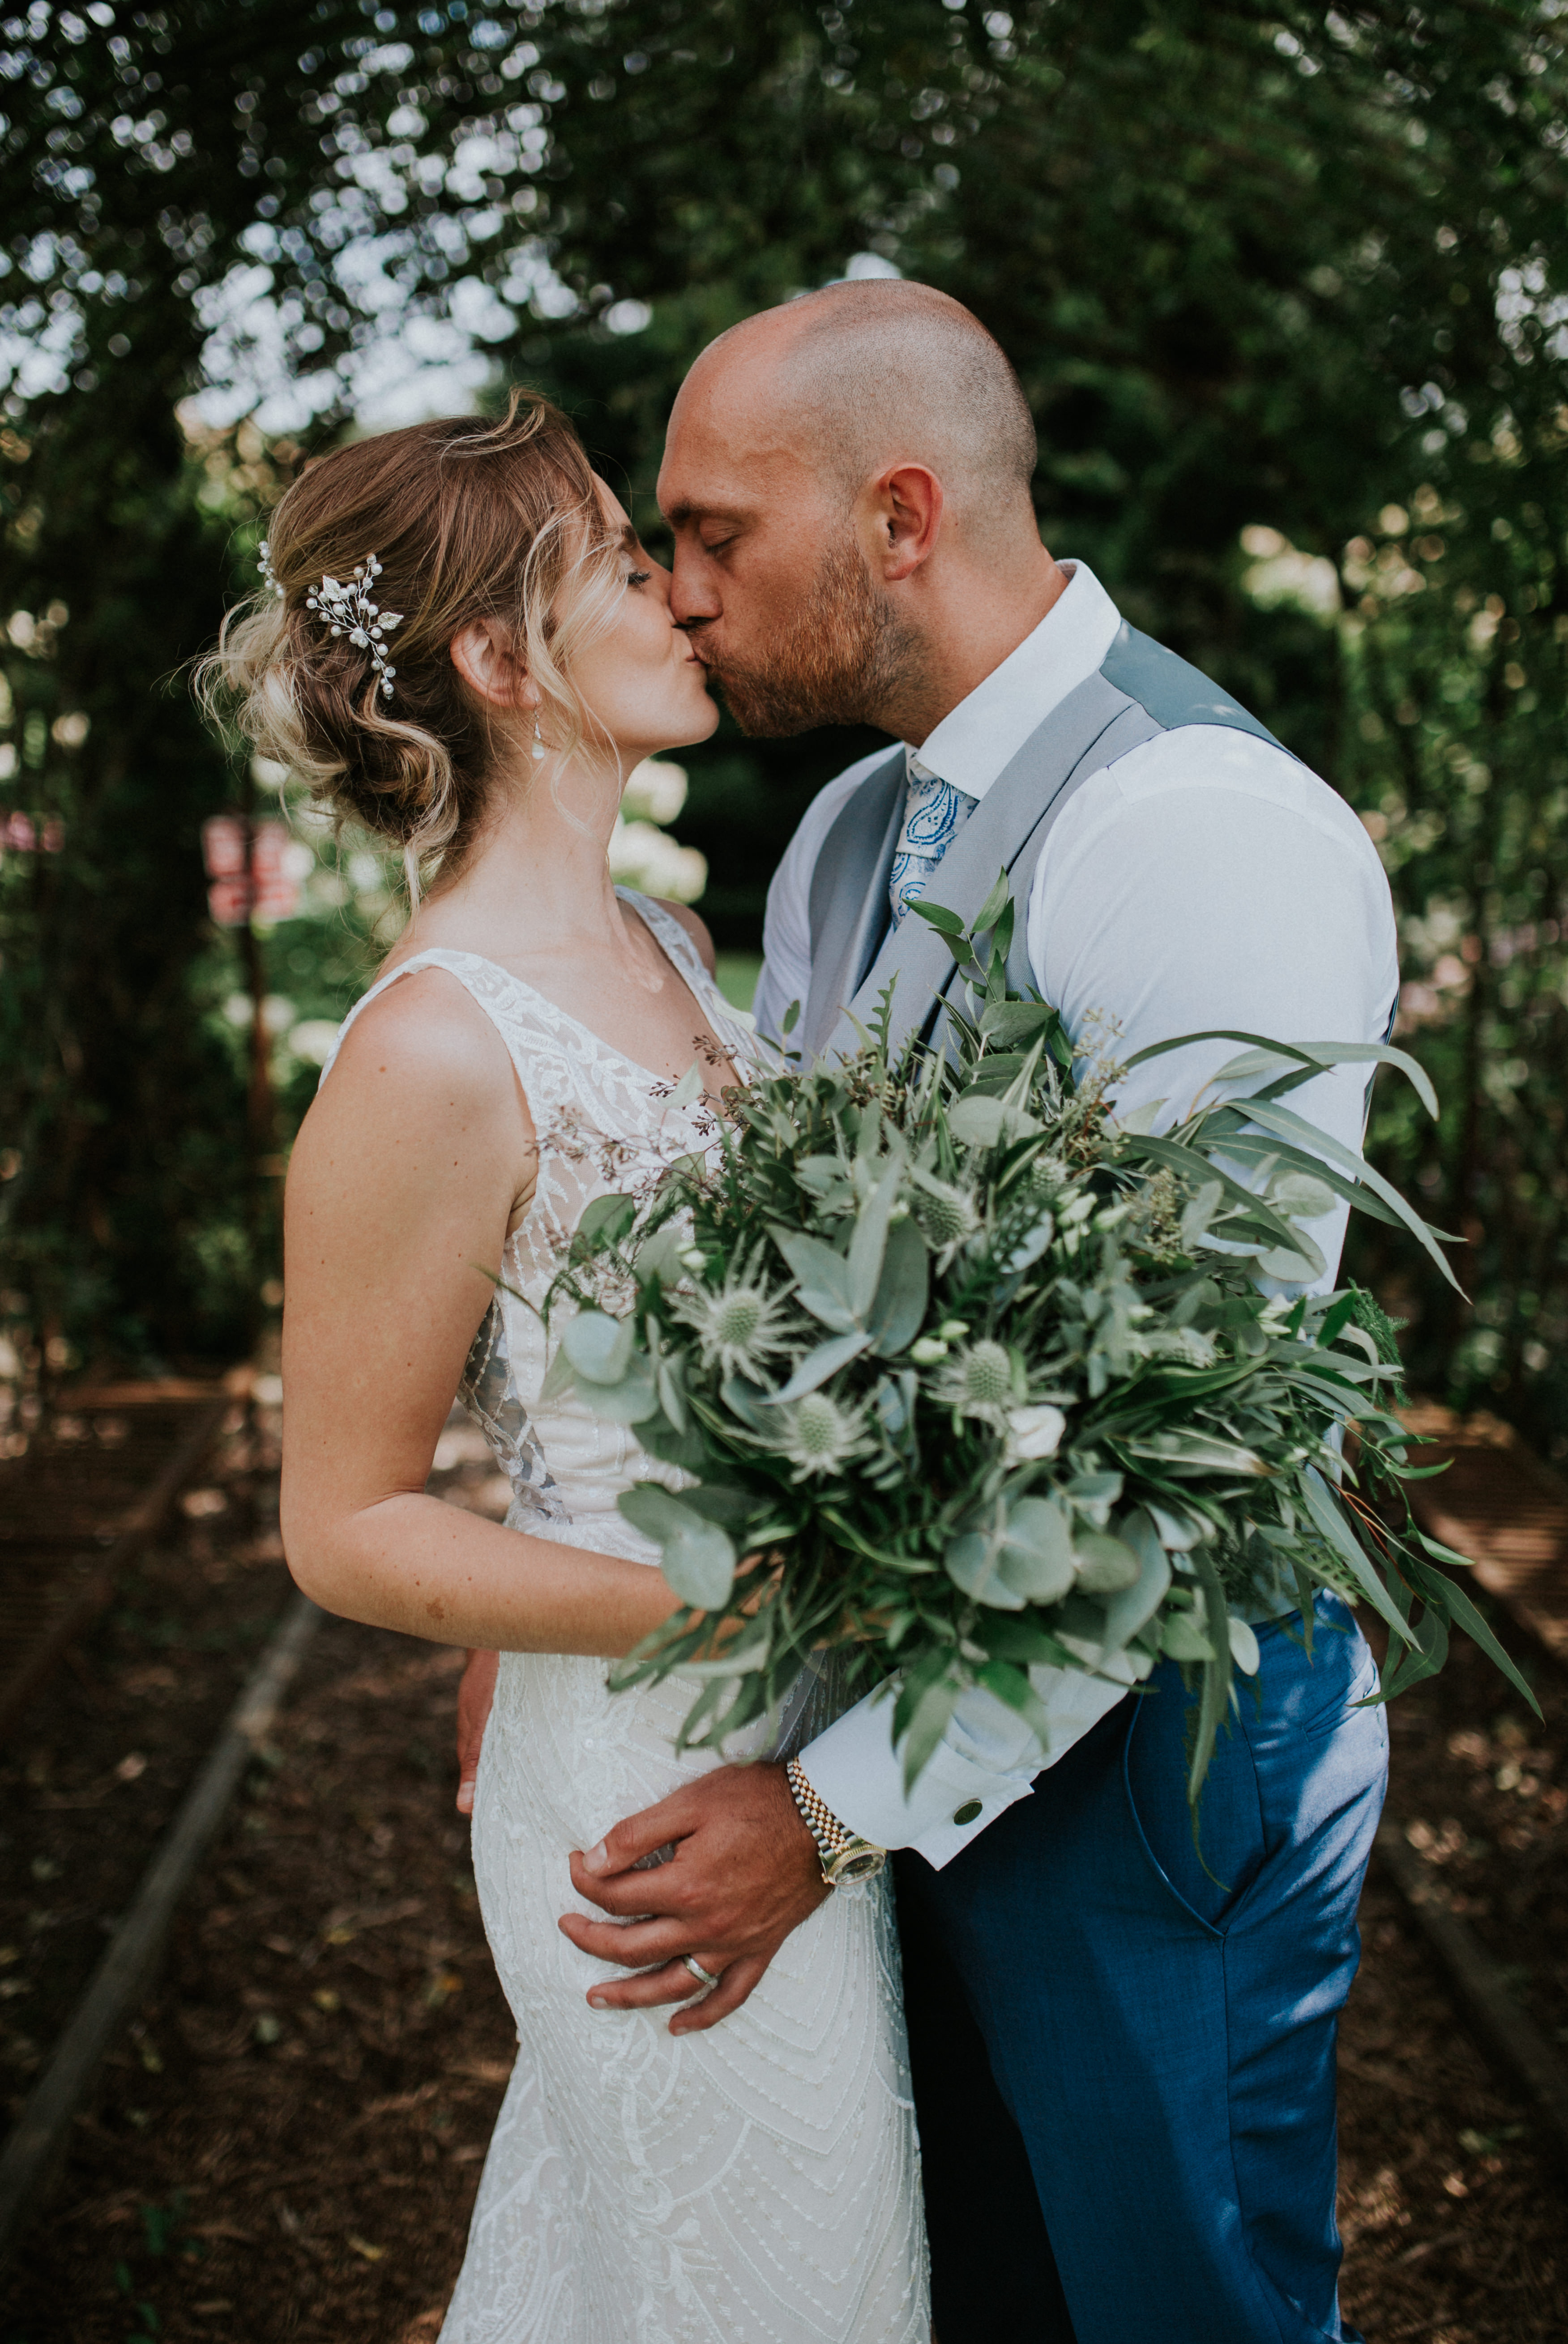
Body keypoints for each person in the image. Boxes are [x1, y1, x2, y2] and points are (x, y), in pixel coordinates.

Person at [461, 282, 1397, 2344]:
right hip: (905, 1755)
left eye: (711, 534)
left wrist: (822, 1813)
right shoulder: (857, 833)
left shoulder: (1198, 832)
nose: (678, 591)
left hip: (1153, 1769)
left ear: (898, 517)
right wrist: (562, 1583)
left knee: (1177, 2310)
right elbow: (785, 1306)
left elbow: (1195, 1446)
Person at [201, 395, 929, 2343]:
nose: (681, 596)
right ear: (500, 660)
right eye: (621, 558)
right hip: (646, 1786)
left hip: (806, 1739)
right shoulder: (434, 1048)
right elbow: (341, 1522)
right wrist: (706, 1594)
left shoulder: (677, 948)